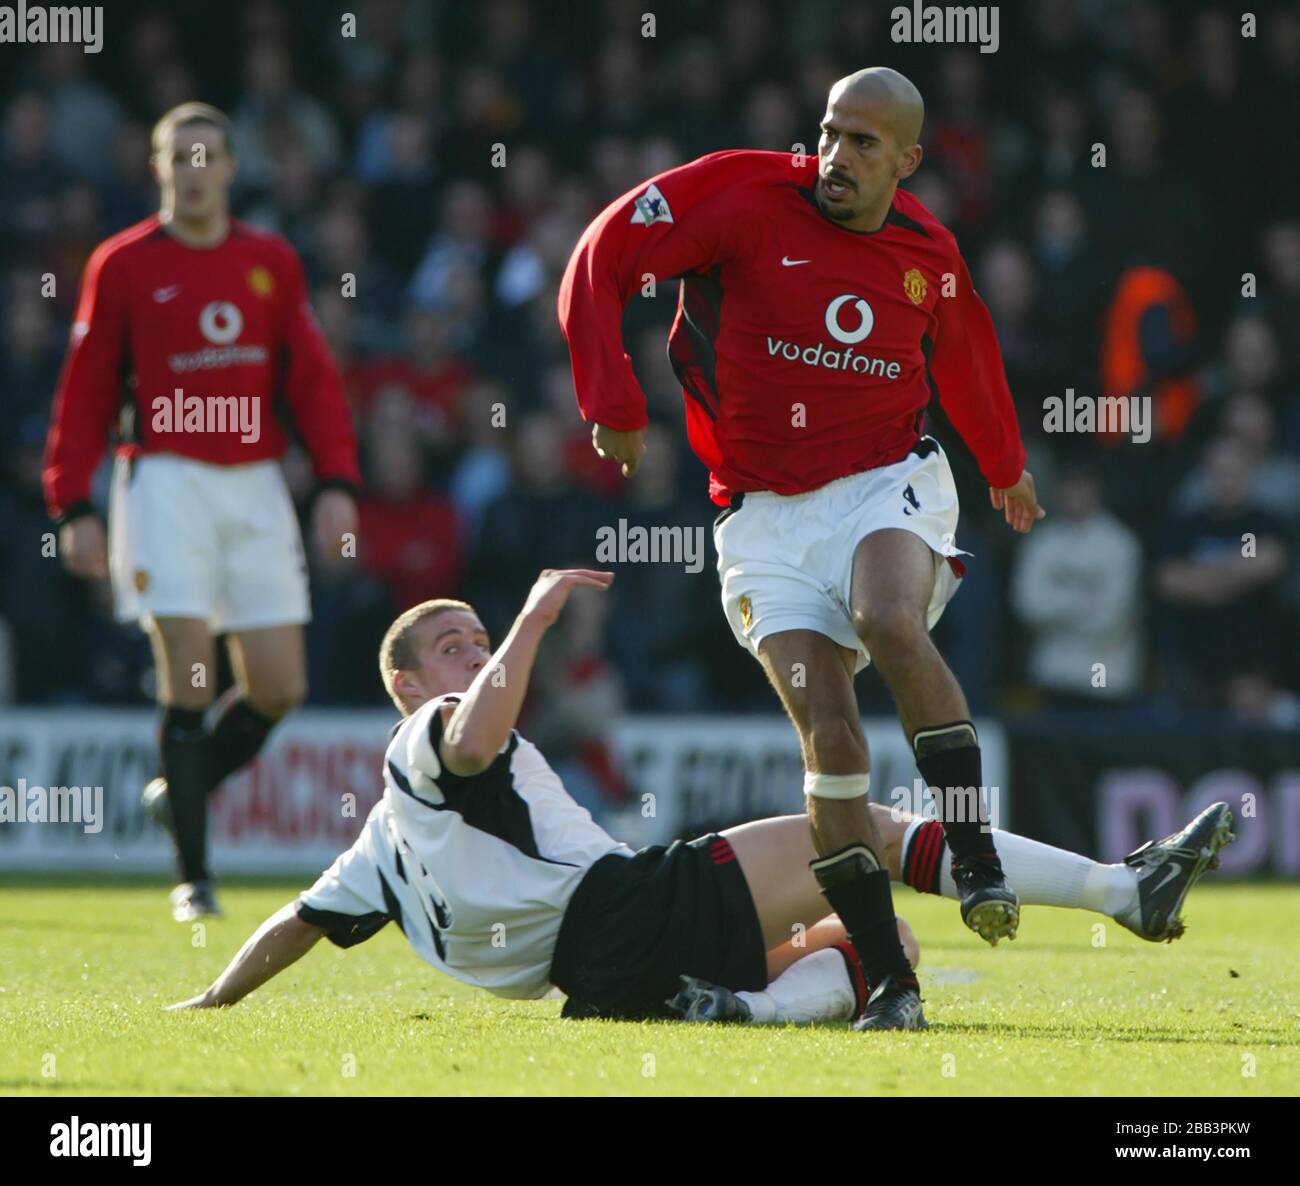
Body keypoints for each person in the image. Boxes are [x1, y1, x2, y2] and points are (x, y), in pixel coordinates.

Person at [168, 571, 1234, 1025]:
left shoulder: (380, 843)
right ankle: (1117, 890)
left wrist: (217, 1000)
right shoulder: (431, 739)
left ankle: (743, 1010)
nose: (476, 653)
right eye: (453, 647)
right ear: (405, 685)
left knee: (880, 944)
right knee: (853, 827)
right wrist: (533, 624)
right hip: (621, 910)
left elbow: (298, 924)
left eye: (480, 636)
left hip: (604, 981)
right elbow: (478, 723)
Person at [559, 67, 1044, 1028]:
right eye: (828, 133)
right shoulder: (740, 195)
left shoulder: (927, 253)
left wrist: (1003, 461)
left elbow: (966, 353)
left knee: (886, 617)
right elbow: (600, 256)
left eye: (864, 144)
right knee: (826, 730)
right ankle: (887, 978)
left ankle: (973, 847)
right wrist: (608, 397)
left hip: (884, 480)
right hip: (761, 513)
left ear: (906, 162)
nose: (836, 157)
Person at [42, 102, 360, 922]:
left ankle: (178, 789)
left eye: (207, 154)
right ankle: (195, 877)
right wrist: (72, 501)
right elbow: (84, 391)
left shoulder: (270, 260)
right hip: (164, 479)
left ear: (228, 167)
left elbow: (313, 381)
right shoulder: (122, 264)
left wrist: (336, 483)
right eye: (177, 154)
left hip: (253, 482)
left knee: (280, 686)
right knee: (191, 668)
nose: (193, 168)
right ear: (157, 168)